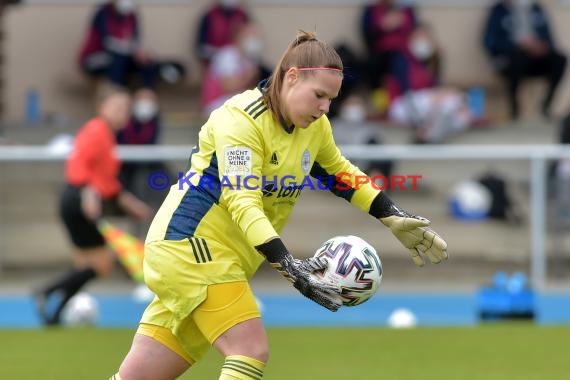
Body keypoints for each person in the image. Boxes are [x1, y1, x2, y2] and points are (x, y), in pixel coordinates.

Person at [110, 31, 447, 380]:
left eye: (331, 100)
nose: (325, 108)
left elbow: (342, 174)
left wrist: (392, 215)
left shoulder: (314, 129)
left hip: (222, 260)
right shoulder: (239, 119)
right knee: (250, 351)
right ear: (291, 77)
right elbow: (244, 203)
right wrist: (288, 265)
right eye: (319, 96)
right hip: (190, 248)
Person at [34, 88, 152, 326]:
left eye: (125, 109)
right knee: (101, 263)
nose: (122, 114)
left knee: (89, 264)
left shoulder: (106, 135)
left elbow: (108, 184)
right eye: (116, 108)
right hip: (78, 200)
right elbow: (79, 167)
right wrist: (88, 195)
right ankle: (48, 292)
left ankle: (54, 312)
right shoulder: (96, 130)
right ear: (102, 108)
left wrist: (131, 204)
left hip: (78, 199)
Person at [482, 0, 567, 120]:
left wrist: (541, 46)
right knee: (517, 60)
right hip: (510, 57)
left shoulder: (536, 8)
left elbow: (549, 39)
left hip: (535, 59)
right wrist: (518, 45)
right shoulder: (499, 10)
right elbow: (489, 42)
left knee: (560, 59)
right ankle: (515, 110)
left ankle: (546, 106)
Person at [78, 0, 159, 89]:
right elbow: (107, 42)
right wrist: (129, 50)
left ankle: (146, 97)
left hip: (122, 57)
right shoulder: (103, 13)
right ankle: (116, 95)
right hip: (94, 58)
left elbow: (135, 41)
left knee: (147, 62)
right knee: (118, 60)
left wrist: (139, 53)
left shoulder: (131, 14)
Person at [200, 22, 265, 116]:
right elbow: (229, 86)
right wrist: (249, 74)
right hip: (216, 103)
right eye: (249, 36)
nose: (253, 40)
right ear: (238, 38)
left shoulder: (248, 58)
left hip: (232, 99)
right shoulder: (227, 56)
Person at [361, 0, 417, 89]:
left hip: (402, 53)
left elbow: (415, 32)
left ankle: (405, 94)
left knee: (401, 65)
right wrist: (382, 26)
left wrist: (399, 23)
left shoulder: (407, 10)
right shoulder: (371, 10)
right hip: (379, 55)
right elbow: (366, 35)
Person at [195, 0, 251, 68]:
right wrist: (216, 54)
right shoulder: (210, 15)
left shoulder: (242, 15)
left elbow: (250, 36)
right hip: (214, 60)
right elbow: (200, 45)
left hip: (238, 60)